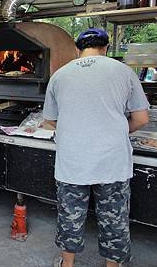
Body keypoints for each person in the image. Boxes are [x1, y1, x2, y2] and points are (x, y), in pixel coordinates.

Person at [43, 28, 149, 267]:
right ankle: (113, 265)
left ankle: (66, 264)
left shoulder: (60, 75)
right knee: (115, 219)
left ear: (77, 50)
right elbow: (141, 119)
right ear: (106, 48)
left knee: (70, 217)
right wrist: (116, 130)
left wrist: (73, 128)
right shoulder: (124, 71)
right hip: (113, 161)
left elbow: (49, 119)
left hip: (73, 161)